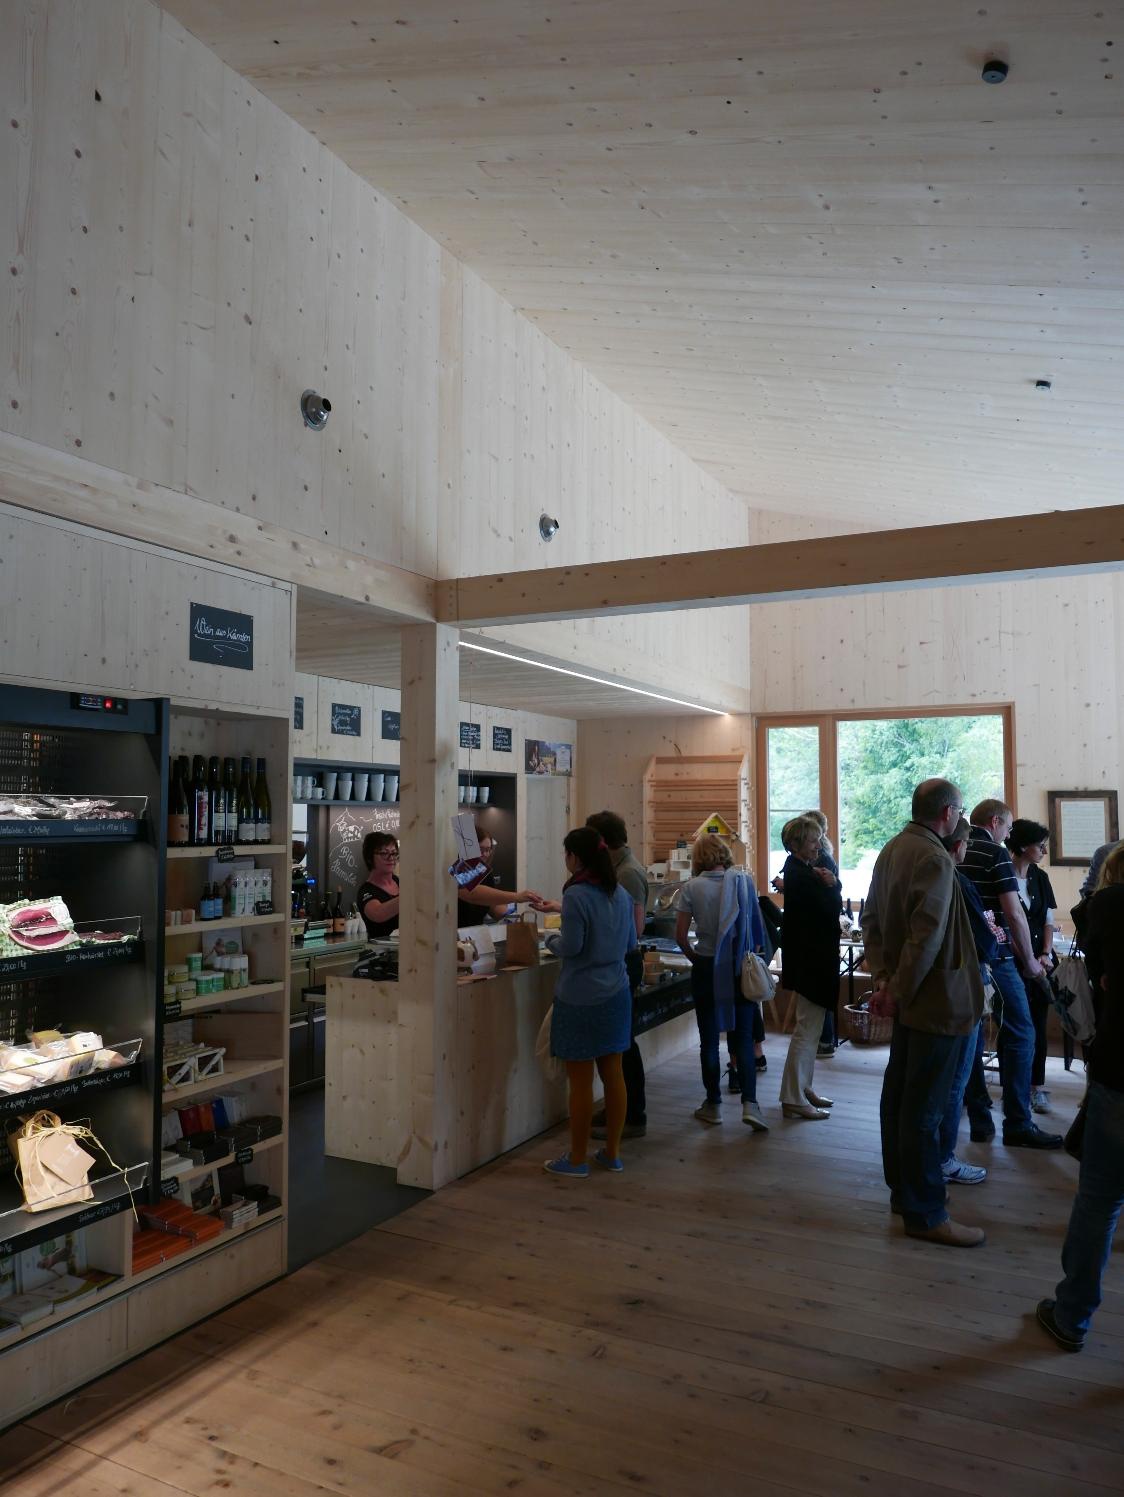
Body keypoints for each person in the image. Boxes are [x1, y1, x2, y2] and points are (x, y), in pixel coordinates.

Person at [862, 778, 986, 1247]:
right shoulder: (934, 857)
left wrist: (883, 980)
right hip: (937, 1002)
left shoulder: (893, 848)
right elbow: (927, 938)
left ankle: (906, 1193)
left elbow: (871, 920)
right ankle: (927, 1213)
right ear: (948, 813)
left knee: (900, 1100)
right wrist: (896, 990)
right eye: (961, 811)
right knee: (925, 1109)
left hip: (911, 997)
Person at [1037, 844, 1124, 1351]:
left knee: (1099, 1201)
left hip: (1119, 1067)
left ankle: (1071, 1316)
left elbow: (1088, 925)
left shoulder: (1111, 906)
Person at [962, 800, 1062, 1150]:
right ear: (994, 822)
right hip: (998, 955)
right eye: (1006, 826)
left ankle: (979, 1118)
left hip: (961, 957)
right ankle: (1018, 1122)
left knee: (973, 1038)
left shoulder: (953, 849)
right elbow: (1014, 914)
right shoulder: (995, 854)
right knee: (1022, 1031)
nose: (1008, 833)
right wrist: (1031, 962)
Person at [542, 826, 637, 1178]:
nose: (565, 860)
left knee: (580, 1082)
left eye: (566, 854)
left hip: (579, 996)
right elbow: (631, 943)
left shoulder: (576, 895)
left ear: (576, 858)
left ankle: (577, 1159)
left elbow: (572, 946)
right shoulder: (621, 894)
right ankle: (612, 1153)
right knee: (614, 1075)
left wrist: (550, 939)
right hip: (617, 993)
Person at [675, 834, 769, 1131]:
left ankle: (713, 1104)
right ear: (724, 854)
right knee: (743, 1038)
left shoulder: (691, 888)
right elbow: (757, 933)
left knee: (709, 1040)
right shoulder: (744, 882)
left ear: (698, 859)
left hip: (706, 966)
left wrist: (696, 958)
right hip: (738, 966)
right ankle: (751, 1104)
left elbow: (680, 936)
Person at [936, 817, 995, 1187]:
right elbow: (984, 941)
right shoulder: (957, 881)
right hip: (961, 985)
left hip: (935, 988)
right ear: (958, 846)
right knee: (956, 1077)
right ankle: (943, 1158)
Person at [583, 812, 649, 1142]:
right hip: (617, 961)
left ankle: (632, 1114)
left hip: (623, 962)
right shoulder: (620, 869)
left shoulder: (627, 874)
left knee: (623, 1042)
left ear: (601, 842)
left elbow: (634, 928)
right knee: (616, 1041)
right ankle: (617, 1108)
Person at [776, 815, 842, 1120]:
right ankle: (793, 1097)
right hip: (811, 964)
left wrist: (831, 884)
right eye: (813, 840)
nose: (818, 845)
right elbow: (829, 910)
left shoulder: (801, 870)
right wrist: (833, 886)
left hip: (810, 961)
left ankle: (804, 1088)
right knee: (806, 1031)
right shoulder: (801, 876)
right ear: (796, 844)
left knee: (811, 1030)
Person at [1006, 818, 1059, 1114]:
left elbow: (1048, 920)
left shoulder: (1040, 877)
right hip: (1012, 962)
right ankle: (1013, 1089)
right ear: (1024, 846)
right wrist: (1025, 957)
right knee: (1014, 1026)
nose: (1044, 851)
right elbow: (1005, 923)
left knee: (1038, 1024)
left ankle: (1037, 1087)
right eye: (1041, 846)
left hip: (1041, 960)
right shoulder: (1003, 874)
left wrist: (1045, 954)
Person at [454, 827, 542, 926]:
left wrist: (512, 916)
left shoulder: (485, 873)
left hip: (473, 932)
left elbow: (493, 907)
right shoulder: (458, 869)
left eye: (488, 850)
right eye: (480, 849)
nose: (485, 854)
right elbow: (471, 892)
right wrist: (517, 896)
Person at [357, 832, 400, 936]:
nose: (391, 858)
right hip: (380, 946)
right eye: (384, 853)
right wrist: (411, 895)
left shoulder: (399, 881)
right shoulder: (366, 891)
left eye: (394, 853)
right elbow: (377, 913)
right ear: (369, 858)